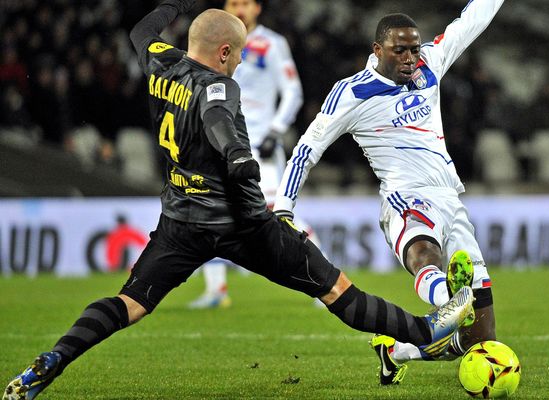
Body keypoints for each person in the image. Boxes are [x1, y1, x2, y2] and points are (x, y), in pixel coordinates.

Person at [3, 2, 474, 399]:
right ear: (224, 52)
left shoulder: (162, 62)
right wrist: (241, 163)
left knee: (130, 302)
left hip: (179, 222)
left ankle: (54, 359)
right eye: (240, 54)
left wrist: (176, 6)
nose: (242, 62)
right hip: (240, 224)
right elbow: (217, 120)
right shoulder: (220, 86)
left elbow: (141, 30)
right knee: (337, 291)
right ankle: (424, 331)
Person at [274, 0, 503, 385]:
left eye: (414, 48)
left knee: (480, 340)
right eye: (400, 49)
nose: (411, 57)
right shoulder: (353, 93)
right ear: (377, 50)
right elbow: (306, 149)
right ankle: (445, 293)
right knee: (423, 249)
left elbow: (470, 22)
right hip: (404, 196)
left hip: (451, 199)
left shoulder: (428, 65)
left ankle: (397, 350)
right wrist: (283, 208)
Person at [188, 0, 310, 309]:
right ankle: (217, 290)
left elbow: (293, 91)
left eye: (244, 3)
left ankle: (320, 276)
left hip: (258, 144)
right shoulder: (213, 41)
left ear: (257, 8)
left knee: (277, 213)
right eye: (232, 3)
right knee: (207, 207)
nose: (238, 8)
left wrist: (276, 130)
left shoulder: (271, 43)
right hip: (217, 142)